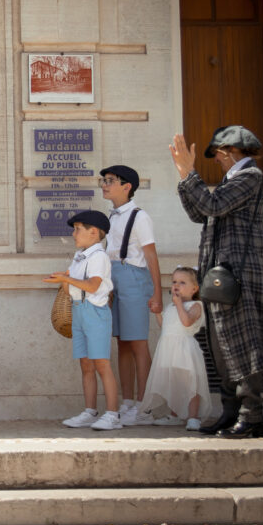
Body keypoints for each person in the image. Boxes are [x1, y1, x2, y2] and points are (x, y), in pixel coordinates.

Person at [170, 127, 263, 439]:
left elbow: (212, 206)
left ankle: (251, 417)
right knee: (221, 345)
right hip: (220, 275)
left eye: (217, 154)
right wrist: (185, 176)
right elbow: (199, 212)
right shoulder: (231, 182)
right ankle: (230, 414)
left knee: (243, 342)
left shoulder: (251, 176)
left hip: (240, 273)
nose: (216, 160)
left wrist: (190, 173)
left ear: (230, 150)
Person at [45, 210, 122, 431]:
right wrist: (62, 279)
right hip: (79, 310)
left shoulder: (99, 256)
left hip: (95, 312)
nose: (74, 234)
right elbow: (72, 285)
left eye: (78, 229)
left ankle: (112, 414)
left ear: (94, 232)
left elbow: (93, 286)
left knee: (101, 364)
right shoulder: (80, 255)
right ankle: (90, 412)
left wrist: (66, 278)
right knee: (86, 364)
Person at [98, 164, 162, 426]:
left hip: (134, 277)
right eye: (103, 180)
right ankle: (128, 402)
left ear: (127, 187)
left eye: (110, 180)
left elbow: (151, 255)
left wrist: (157, 293)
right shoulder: (112, 216)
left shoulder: (139, 216)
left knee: (137, 343)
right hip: (114, 278)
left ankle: (145, 405)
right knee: (122, 342)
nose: (104, 185)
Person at [136, 267, 210, 431]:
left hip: (185, 349)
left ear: (194, 288)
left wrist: (179, 305)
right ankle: (174, 415)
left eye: (182, 283)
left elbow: (187, 322)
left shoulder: (196, 305)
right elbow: (165, 326)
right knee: (174, 384)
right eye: (174, 282)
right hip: (168, 349)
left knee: (191, 385)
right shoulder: (171, 306)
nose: (176, 285)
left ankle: (193, 417)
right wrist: (158, 313)